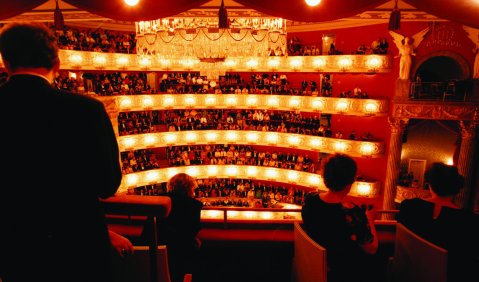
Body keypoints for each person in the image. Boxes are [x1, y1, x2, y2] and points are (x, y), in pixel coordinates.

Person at [0, 22, 122, 282]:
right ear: (56, 63)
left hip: (16, 245)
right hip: (79, 243)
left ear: (6, 62)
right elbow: (107, 184)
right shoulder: (86, 110)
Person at [301, 153, 380, 282]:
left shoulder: (310, 200)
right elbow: (372, 248)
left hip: (315, 268)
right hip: (344, 272)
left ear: (325, 177)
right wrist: (370, 219)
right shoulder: (351, 213)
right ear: (349, 183)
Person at [398, 162, 479, 282]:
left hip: (407, 273)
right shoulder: (469, 220)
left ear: (429, 185)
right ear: (457, 189)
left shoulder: (408, 206)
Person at [141, 173, 203, 282]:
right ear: (190, 188)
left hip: (153, 251)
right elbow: (192, 230)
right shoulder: (194, 205)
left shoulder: (159, 200)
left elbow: (149, 227)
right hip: (180, 253)